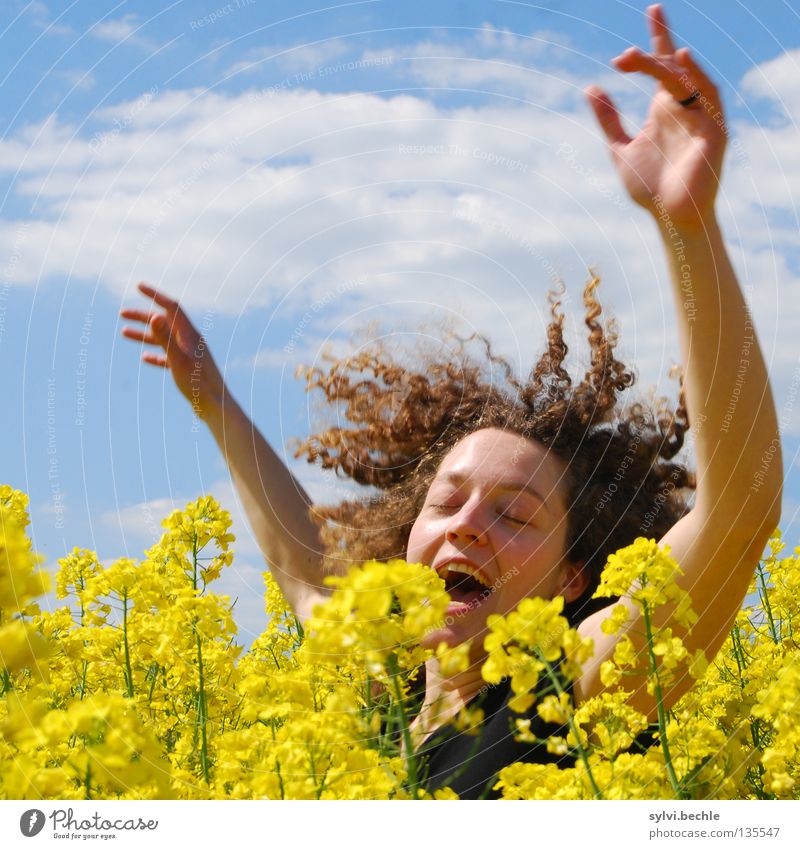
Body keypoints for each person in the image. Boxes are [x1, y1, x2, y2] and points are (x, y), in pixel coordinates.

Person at [121, 5, 781, 798]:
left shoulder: (573, 695)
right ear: (408, 539)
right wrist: (215, 401)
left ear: (573, 580)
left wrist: (689, 227)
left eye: (517, 513)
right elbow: (304, 568)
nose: (469, 521)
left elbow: (738, 517)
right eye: (451, 500)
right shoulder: (377, 706)